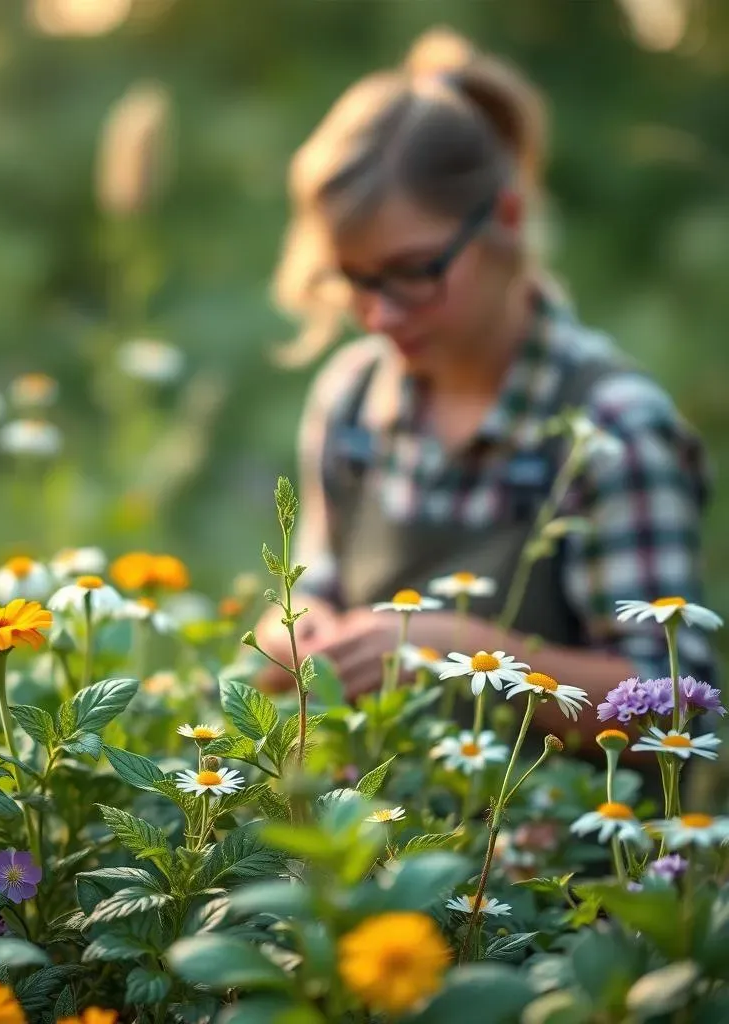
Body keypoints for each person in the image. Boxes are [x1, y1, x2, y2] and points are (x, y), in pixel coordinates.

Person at [254, 27, 716, 745]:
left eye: (413, 271)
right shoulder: (350, 402)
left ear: (505, 216)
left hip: (560, 845)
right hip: (368, 826)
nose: (380, 313)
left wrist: (464, 657)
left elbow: (674, 710)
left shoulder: (611, 428)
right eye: (355, 279)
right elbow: (323, 585)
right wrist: (291, 631)